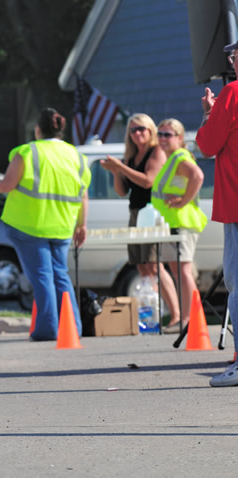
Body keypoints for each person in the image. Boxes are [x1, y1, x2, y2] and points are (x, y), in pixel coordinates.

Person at [0, 108, 89, 341]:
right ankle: (73, 327)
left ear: (37, 129)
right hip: (63, 225)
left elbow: (6, 186)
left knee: (42, 276)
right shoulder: (76, 156)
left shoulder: (27, 153)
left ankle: (47, 329)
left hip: (29, 225)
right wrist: (82, 225)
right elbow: (83, 194)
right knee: (60, 275)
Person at [100, 113, 181, 327]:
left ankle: (176, 314)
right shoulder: (131, 156)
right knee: (141, 266)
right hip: (136, 212)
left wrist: (121, 168)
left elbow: (148, 181)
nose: (137, 134)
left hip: (153, 212)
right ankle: (153, 313)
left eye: (141, 129)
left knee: (155, 265)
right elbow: (121, 191)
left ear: (150, 130)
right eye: (133, 130)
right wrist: (116, 172)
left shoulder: (156, 152)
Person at [195, 39, 238, 387]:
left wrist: (211, 111)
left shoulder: (232, 94)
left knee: (237, 284)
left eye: (234, 56)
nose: (232, 61)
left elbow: (207, 144)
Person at [151, 119, 207, 333]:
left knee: (183, 271)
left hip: (182, 223)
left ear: (179, 138)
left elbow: (198, 176)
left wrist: (183, 201)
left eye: (168, 135)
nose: (163, 138)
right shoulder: (170, 159)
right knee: (177, 271)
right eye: (160, 134)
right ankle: (185, 318)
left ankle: (193, 319)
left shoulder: (180, 157)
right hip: (170, 224)